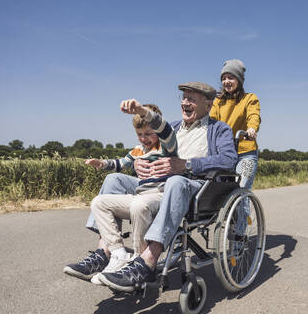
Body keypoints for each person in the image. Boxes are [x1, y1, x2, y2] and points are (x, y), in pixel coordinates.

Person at [97, 82, 238, 291]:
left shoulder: (219, 129)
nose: (184, 102)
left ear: (208, 105)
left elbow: (228, 159)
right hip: (157, 185)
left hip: (194, 187)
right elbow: (144, 148)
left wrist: (187, 165)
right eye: (183, 98)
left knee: (176, 180)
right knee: (113, 179)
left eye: (192, 99)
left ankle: (147, 261)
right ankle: (104, 252)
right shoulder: (172, 127)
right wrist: (137, 162)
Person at [63, 102, 177, 284]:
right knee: (98, 202)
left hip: (159, 195)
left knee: (140, 205)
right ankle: (117, 253)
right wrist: (102, 163)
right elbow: (121, 162)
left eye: (149, 134)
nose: (144, 138)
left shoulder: (167, 147)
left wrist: (143, 112)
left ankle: (140, 260)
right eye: (140, 134)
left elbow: (166, 131)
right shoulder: (138, 150)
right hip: (140, 194)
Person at [210, 59, 261, 233]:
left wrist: (252, 128)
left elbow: (254, 116)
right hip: (225, 154)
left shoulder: (249, 99)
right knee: (218, 192)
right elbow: (212, 121)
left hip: (245, 152)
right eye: (224, 78)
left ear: (239, 80)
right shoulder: (218, 102)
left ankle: (238, 240)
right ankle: (228, 228)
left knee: (240, 191)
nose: (226, 82)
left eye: (231, 77)